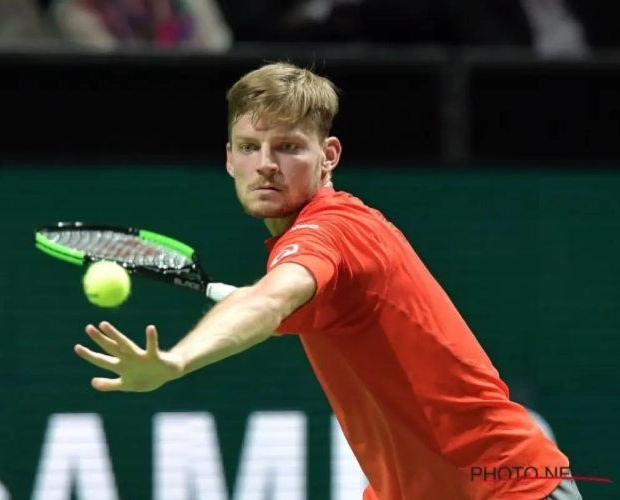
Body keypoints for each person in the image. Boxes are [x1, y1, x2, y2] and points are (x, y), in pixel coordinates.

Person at [74, 62, 582, 500]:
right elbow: (268, 301)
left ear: (329, 155)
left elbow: (271, 299)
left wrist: (177, 361)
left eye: (288, 146)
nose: (266, 165)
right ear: (229, 158)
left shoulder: (336, 229)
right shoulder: (301, 243)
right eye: (249, 147)